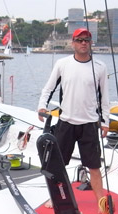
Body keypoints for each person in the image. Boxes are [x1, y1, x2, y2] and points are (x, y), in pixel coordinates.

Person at [37, 28, 109, 204]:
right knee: (58, 165)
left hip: (90, 124)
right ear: (73, 43)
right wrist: (41, 106)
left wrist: (106, 121)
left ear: (91, 43)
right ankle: (55, 198)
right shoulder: (62, 64)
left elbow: (105, 97)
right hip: (66, 122)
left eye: (87, 40)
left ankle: (101, 203)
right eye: (79, 40)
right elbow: (49, 88)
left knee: (94, 167)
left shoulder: (100, 67)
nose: (83, 43)